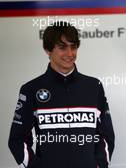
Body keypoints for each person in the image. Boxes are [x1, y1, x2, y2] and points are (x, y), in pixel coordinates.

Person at [8, 21, 115, 168]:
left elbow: (107, 136)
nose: (70, 53)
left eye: (74, 47)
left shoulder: (94, 86)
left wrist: (99, 165)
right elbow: (17, 139)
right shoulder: (31, 89)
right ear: (47, 49)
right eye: (62, 47)